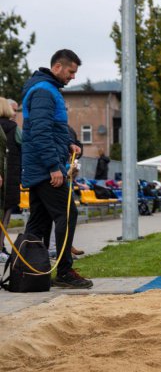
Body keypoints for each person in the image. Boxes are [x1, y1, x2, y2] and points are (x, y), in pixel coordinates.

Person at [20, 49, 92, 288]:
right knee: (67, 213)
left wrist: (68, 143)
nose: (72, 77)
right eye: (71, 72)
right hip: (45, 169)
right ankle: (64, 271)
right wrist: (54, 167)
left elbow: (48, 129)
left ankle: (29, 272)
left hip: (39, 167)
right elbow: (40, 133)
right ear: (58, 67)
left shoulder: (46, 89)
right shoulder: (43, 91)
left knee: (38, 223)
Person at [0, 98, 21, 263]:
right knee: (5, 217)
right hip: (10, 179)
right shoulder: (15, 129)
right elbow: (27, 146)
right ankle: (0, 248)